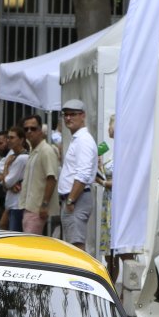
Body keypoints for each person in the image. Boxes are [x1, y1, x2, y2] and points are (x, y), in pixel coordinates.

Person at [58, 100, 98, 251]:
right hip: (74, 198)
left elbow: (83, 174)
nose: (68, 118)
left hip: (77, 198)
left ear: (83, 116)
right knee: (73, 245)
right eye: (66, 115)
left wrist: (71, 199)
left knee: (76, 247)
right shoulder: (79, 139)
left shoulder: (83, 140)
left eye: (73, 114)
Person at [19, 115, 59, 234]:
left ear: (40, 130)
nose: (29, 131)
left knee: (31, 243)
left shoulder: (46, 150)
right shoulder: (34, 151)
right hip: (29, 206)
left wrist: (44, 204)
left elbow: (51, 178)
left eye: (33, 128)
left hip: (37, 208)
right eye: (26, 129)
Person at [0, 127, 27, 232]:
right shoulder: (13, 156)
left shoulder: (21, 158)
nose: (8, 140)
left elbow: (7, 182)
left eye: (12, 138)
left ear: (21, 140)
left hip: (17, 205)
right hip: (11, 203)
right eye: (8, 138)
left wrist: (6, 165)